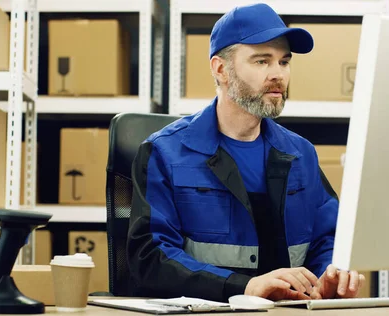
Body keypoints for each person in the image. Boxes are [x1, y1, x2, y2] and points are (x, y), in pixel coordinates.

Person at [127, 3, 365, 303]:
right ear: (220, 69)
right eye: (262, 61)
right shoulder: (164, 153)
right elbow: (150, 258)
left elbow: (328, 239)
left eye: (284, 61)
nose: (278, 74)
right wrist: (244, 287)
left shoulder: (300, 154)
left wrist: (329, 277)